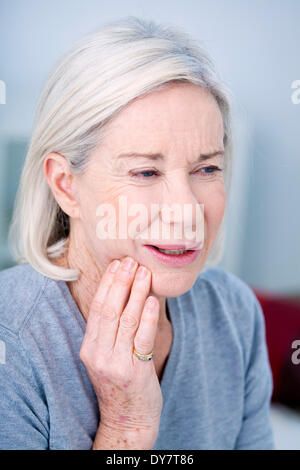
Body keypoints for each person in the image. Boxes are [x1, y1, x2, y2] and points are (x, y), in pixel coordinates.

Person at [0, 16, 275, 450]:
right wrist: (127, 424)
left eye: (207, 168)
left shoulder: (235, 313)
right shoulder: (10, 345)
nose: (187, 211)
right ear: (65, 184)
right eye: (145, 171)